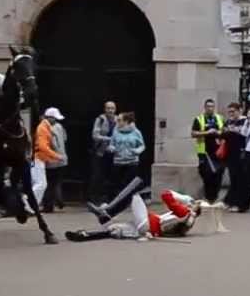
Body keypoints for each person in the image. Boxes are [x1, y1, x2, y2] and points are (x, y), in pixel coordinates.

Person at [69, 176, 199, 241]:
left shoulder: (185, 212)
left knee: (134, 194)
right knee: (113, 230)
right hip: (147, 229)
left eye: (193, 202)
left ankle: (107, 212)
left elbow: (166, 194)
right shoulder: (186, 217)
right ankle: (84, 235)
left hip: (147, 224)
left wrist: (184, 198)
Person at [191, 99, 225, 203]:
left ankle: (214, 196)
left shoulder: (220, 118)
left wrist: (218, 132)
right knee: (206, 174)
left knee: (218, 174)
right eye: (208, 106)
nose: (210, 108)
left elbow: (224, 131)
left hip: (218, 151)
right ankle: (208, 196)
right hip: (204, 151)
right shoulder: (199, 119)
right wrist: (207, 132)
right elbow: (193, 133)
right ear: (205, 107)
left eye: (212, 106)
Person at [108, 112, 145, 200]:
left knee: (130, 183)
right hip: (118, 161)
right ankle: (115, 201)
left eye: (120, 120)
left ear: (126, 121)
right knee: (116, 183)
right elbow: (111, 143)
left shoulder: (136, 132)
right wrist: (111, 148)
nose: (117, 121)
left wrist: (137, 151)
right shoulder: (115, 131)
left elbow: (142, 145)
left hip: (132, 161)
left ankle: (129, 200)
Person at [41, 107, 68, 212]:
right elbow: (65, 139)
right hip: (62, 159)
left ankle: (49, 205)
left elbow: (51, 144)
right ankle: (59, 200)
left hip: (52, 160)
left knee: (49, 183)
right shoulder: (60, 127)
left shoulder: (46, 128)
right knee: (56, 182)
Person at [221, 103, 248, 211]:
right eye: (229, 112)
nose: (231, 114)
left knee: (240, 178)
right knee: (233, 177)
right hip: (230, 153)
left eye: (233, 111)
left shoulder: (245, 121)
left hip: (241, 152)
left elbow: (244, 134)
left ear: (239, 110)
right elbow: (223, 134)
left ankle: (238, 203)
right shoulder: (228, 121)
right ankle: (230, 201)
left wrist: (233, 130)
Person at [89, 101, 117, 201]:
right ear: (104, 109)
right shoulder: (100, 119)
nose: (110, 110)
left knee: (111, 176)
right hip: (100, 152)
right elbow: (95, 135)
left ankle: (109, 198)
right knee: (97, 175)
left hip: (113, 153)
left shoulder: (118, 119)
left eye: (112, 108)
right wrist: (108, 139)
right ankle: (94, 198)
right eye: (108, 108)